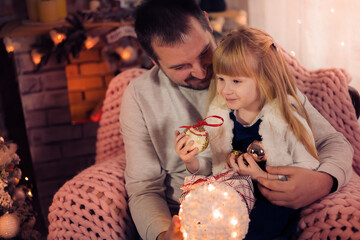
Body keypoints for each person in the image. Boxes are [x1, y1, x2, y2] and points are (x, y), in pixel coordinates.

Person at [120, 0, 354, 239]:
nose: (202, 73)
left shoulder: (253, 65)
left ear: (208, 23)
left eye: (204, 52)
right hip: (187, 218)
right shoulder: (139, 96)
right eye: (181, 67)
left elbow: (333, 142)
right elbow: (144, 187)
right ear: (153, 59)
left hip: (257, 210)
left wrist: (324, 181)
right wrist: (163, 235)